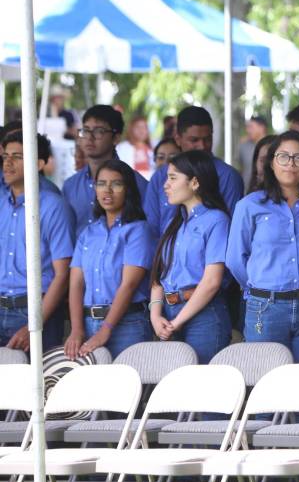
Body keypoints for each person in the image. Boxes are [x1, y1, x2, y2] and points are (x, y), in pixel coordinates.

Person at [226, 131, 299, 361]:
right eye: (283, 156)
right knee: (267, 381)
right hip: (266, 308)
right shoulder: (249, 206)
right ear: (271, 163)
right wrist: (258, 286)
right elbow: (235, 259)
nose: (290, 163)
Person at [64, 160, 156, 359]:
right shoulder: (88, 233)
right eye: (101, 183)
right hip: (88, 323)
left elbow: (129, 285)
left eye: (116, 184)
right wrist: (77, 329)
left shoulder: (138, 230)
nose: (107, 190)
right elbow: (76, 285)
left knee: (127, 386)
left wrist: (106, 329)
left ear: (128, 189)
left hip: (127, 324)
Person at [149, 151, 232, 363]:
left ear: (194, 182)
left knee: (199, 389)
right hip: (168, 314)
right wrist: (155, 316)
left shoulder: (216, 220)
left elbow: (212, 282)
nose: (166, 185)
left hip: (204, 317)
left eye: (173, 178)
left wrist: (177, 322)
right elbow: (159, 278)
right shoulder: (172, 225)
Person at [0, 131, 74, 350]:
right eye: (5, 156)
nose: (8, 163)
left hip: (34, 309)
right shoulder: (1, 203)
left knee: (39, 383)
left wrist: (35, 324)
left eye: (17, 157)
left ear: (39, 163)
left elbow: (63, 274)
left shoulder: (54, 206)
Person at [145, 106, 244, 235]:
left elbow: (232, 234)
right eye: (194, 140)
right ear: (178, 139)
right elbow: (151, 230)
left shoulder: (228, 177)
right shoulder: (160, 176)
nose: (202, 146)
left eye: (207, 139)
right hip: (164, 252)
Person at [64, 105, 149, 237]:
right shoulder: (70, 186)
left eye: (99, 131)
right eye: (85, 131)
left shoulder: (136, 183)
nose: (89, 138)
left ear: (116, 138)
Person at [238, 116, 269, 184]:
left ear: (262, 128)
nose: (248, 130)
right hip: (247, 190)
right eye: (247, 127)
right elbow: (241, 168)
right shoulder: (243, 146)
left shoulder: (273, 146)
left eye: (251, 127)